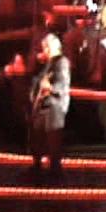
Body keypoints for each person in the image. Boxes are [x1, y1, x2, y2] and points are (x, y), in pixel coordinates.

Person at [29, 33, 71, 178]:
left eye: (46, 47)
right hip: (43, 106)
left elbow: (62, 84)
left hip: (54, 106)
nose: (44, 50)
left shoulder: (61, 62)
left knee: (53, 141)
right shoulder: (48, 64)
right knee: (37, 137)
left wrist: (51, 88)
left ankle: (55, 170)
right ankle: (37, 166)